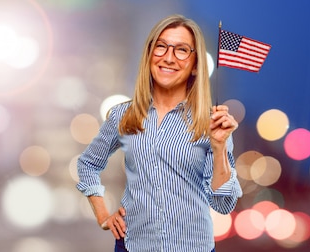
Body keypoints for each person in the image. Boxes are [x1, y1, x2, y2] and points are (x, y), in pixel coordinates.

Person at [76, 14, 242, 252]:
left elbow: (224, 204)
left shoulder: (212, 123)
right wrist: (103, 216)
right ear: (149, 55)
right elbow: (87, 164)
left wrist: (219, 147)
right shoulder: (124, 115)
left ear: (195, 65)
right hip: (132, 246)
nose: (169, 57)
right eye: (161, 47)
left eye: (182, 50)